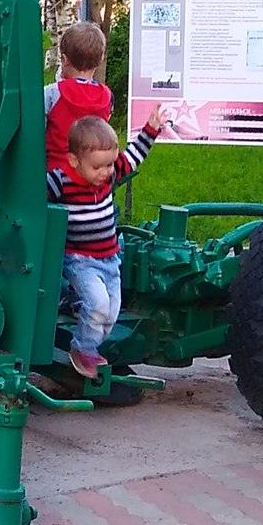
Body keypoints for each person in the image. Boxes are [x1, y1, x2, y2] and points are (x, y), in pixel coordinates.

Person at [46, 113, 162, 378]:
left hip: (110, 260)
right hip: (80, 260)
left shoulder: (108, 176)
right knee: (98, 305)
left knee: (111, 313)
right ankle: (82, 348)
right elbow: (34, 194)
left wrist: (151, 129)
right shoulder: (62, 180)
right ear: (75, 161)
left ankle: (86, 332)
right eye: (97, 167)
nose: (105, 173)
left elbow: (133, 157)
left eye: (109, 165)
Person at [44, 21, 112, 168]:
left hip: (57, 176)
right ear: (99, 61)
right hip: (93, 176)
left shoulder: (52, 93)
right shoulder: (107, 96)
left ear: (65, 60)